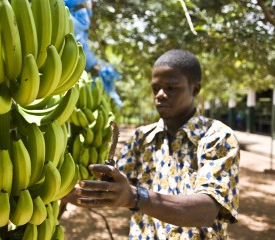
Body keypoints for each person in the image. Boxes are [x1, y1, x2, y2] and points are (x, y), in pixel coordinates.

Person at [66, 49, 240, 239]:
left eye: (171, 88)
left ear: (195, 89)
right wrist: (56, 190)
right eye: (155, 88)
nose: (161, 95)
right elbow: (109, 192)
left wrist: (135, 197)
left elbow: (205, 211)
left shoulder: (216, 137)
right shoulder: (142, 139)